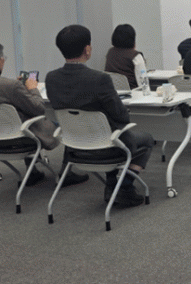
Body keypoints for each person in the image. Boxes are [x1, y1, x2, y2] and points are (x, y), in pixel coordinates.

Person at [46, 25, 155, 207]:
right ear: (87, 49)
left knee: (108, 130)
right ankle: (124, 186)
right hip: (107, 147)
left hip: (74, 147)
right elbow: (121, 116)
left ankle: (113, 184)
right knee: (146, 139)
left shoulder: (51, 78)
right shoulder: (99, 79)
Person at [0, 43, 88, 187]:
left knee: (21, 121)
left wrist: (20, 90)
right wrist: (32, 88)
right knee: (68, 125)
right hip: (21, 139)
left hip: (3, 139)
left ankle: (33, 172)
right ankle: (66, 173)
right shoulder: (11, 86)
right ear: (1, 61)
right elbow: (39, 108)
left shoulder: (11, 87)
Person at [104, 24, 145, 88]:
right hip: (133, 92)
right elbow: (143, 83)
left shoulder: (110, 53)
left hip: (112, 92)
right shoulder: (136, 56)